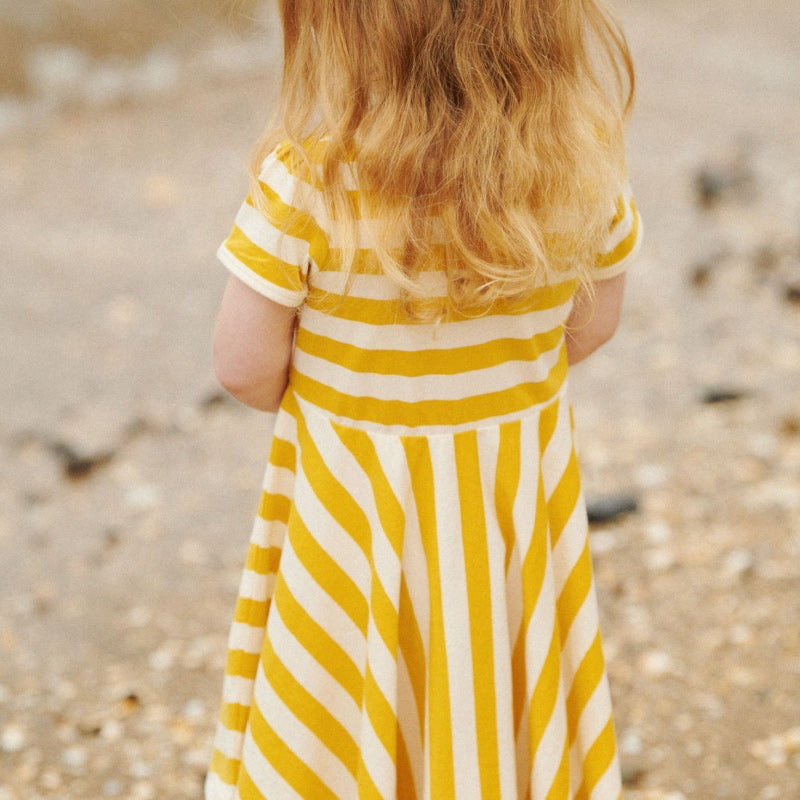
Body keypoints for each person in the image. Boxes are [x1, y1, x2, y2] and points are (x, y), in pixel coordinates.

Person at [206, 0, 641, 798]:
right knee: (497, 696)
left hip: (355, 515)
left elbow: (241, 365)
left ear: (339, 33)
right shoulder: (584, 171)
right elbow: (593, 322)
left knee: (341, 701)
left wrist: (341, 398)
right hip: (509, 509)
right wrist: (498, 386)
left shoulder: (308, 187)